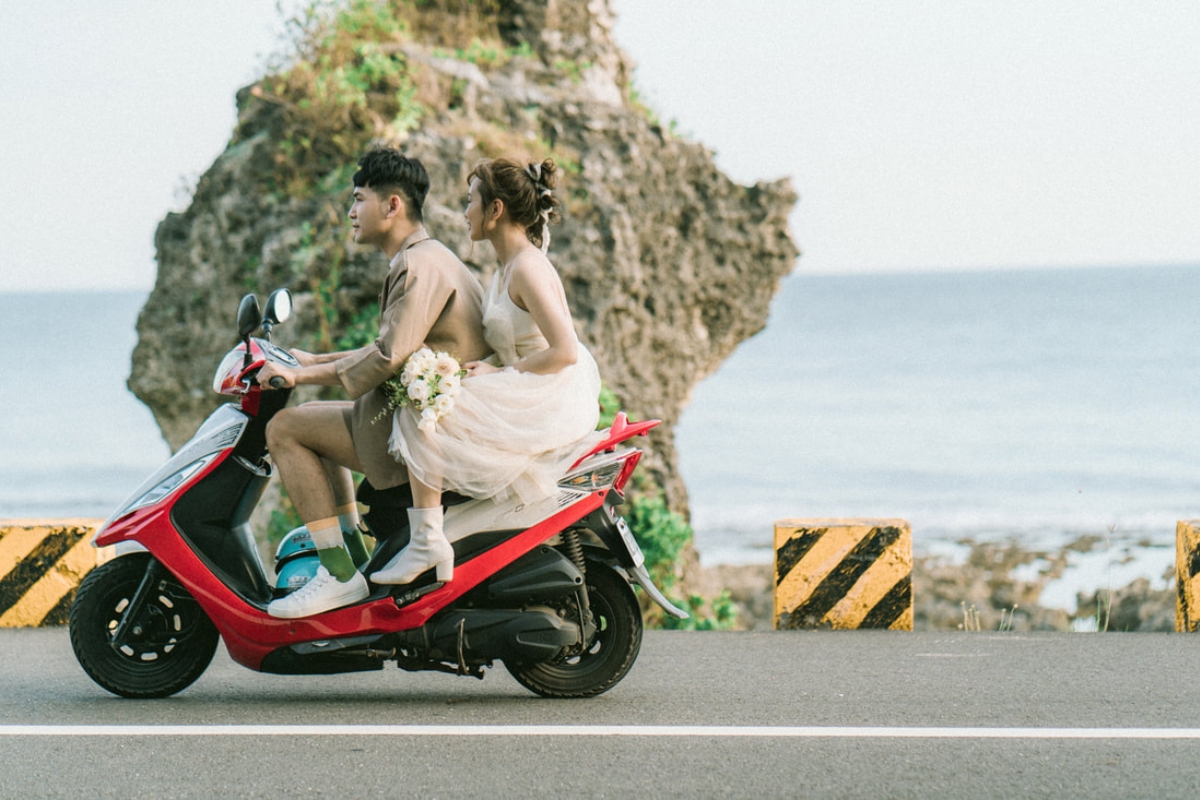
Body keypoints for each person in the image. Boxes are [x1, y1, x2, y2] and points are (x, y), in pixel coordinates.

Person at [256, 148, 491, 618]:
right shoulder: (427, 257)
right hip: (411, 413)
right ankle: (354, 563)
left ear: (392, 206)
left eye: (359, 199)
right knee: (303, 421)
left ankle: (339, 578)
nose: (350, 212)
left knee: (284, 430)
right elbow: (394, 343)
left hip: (421, 429)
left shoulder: (418, 265)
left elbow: (389, 355)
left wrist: (300, 374)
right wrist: (315, 359)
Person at [371, 156, 603, 585]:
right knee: (425, 392)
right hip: (521, 381)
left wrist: (497, 374)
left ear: (495, 210)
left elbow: (566, 350)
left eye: (470, 200)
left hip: (543, 392)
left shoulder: (528, 268)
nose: (464, 212)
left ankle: (426, 541)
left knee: (421, 406)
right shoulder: (506, 268)